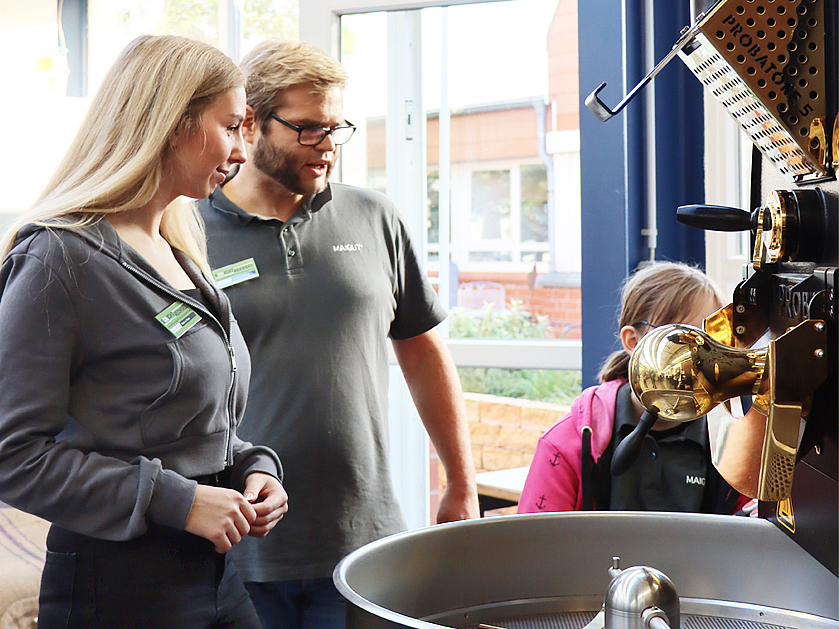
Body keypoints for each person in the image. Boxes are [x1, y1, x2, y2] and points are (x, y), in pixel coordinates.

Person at [0, 35, 289, 628]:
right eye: (230, 126)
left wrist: (251, 467)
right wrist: (179, 502)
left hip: (214, 576)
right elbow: (13, 456)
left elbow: (178, 427)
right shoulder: (59, 257)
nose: (240, 151)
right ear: (173, 122)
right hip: (115, 586)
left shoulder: (179, 251)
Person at [197, 38, 479, 628]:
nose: (327, 147)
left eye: (336, 127)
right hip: (237, 541)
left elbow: (423, 350)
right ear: (251, 123)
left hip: (363, 538)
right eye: (308, 129)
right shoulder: (187, 230)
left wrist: (460, 479)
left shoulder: (374, 217)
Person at [517, 261, 751, 514]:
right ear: (632, 341)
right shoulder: (569, 442)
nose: (700, 357)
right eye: (681, 339)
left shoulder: (729, 441)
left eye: (711, 341)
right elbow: (534, 545)